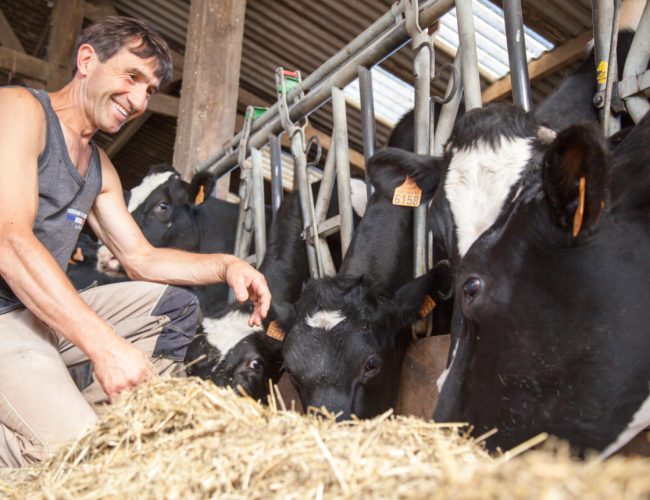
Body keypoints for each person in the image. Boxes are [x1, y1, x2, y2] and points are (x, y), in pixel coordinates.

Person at [0, 16, 271, 467]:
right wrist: (104, 347)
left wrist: (226, 265)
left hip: (37, 314)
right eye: (132, 77)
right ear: (87, 59)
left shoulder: (98, 167)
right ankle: (64, 445)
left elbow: (140, 258)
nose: (140, 100)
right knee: (75, 453)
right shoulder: (19, 111)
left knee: (173, 306)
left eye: (150, 89)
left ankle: (98, 430)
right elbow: (9, 241)